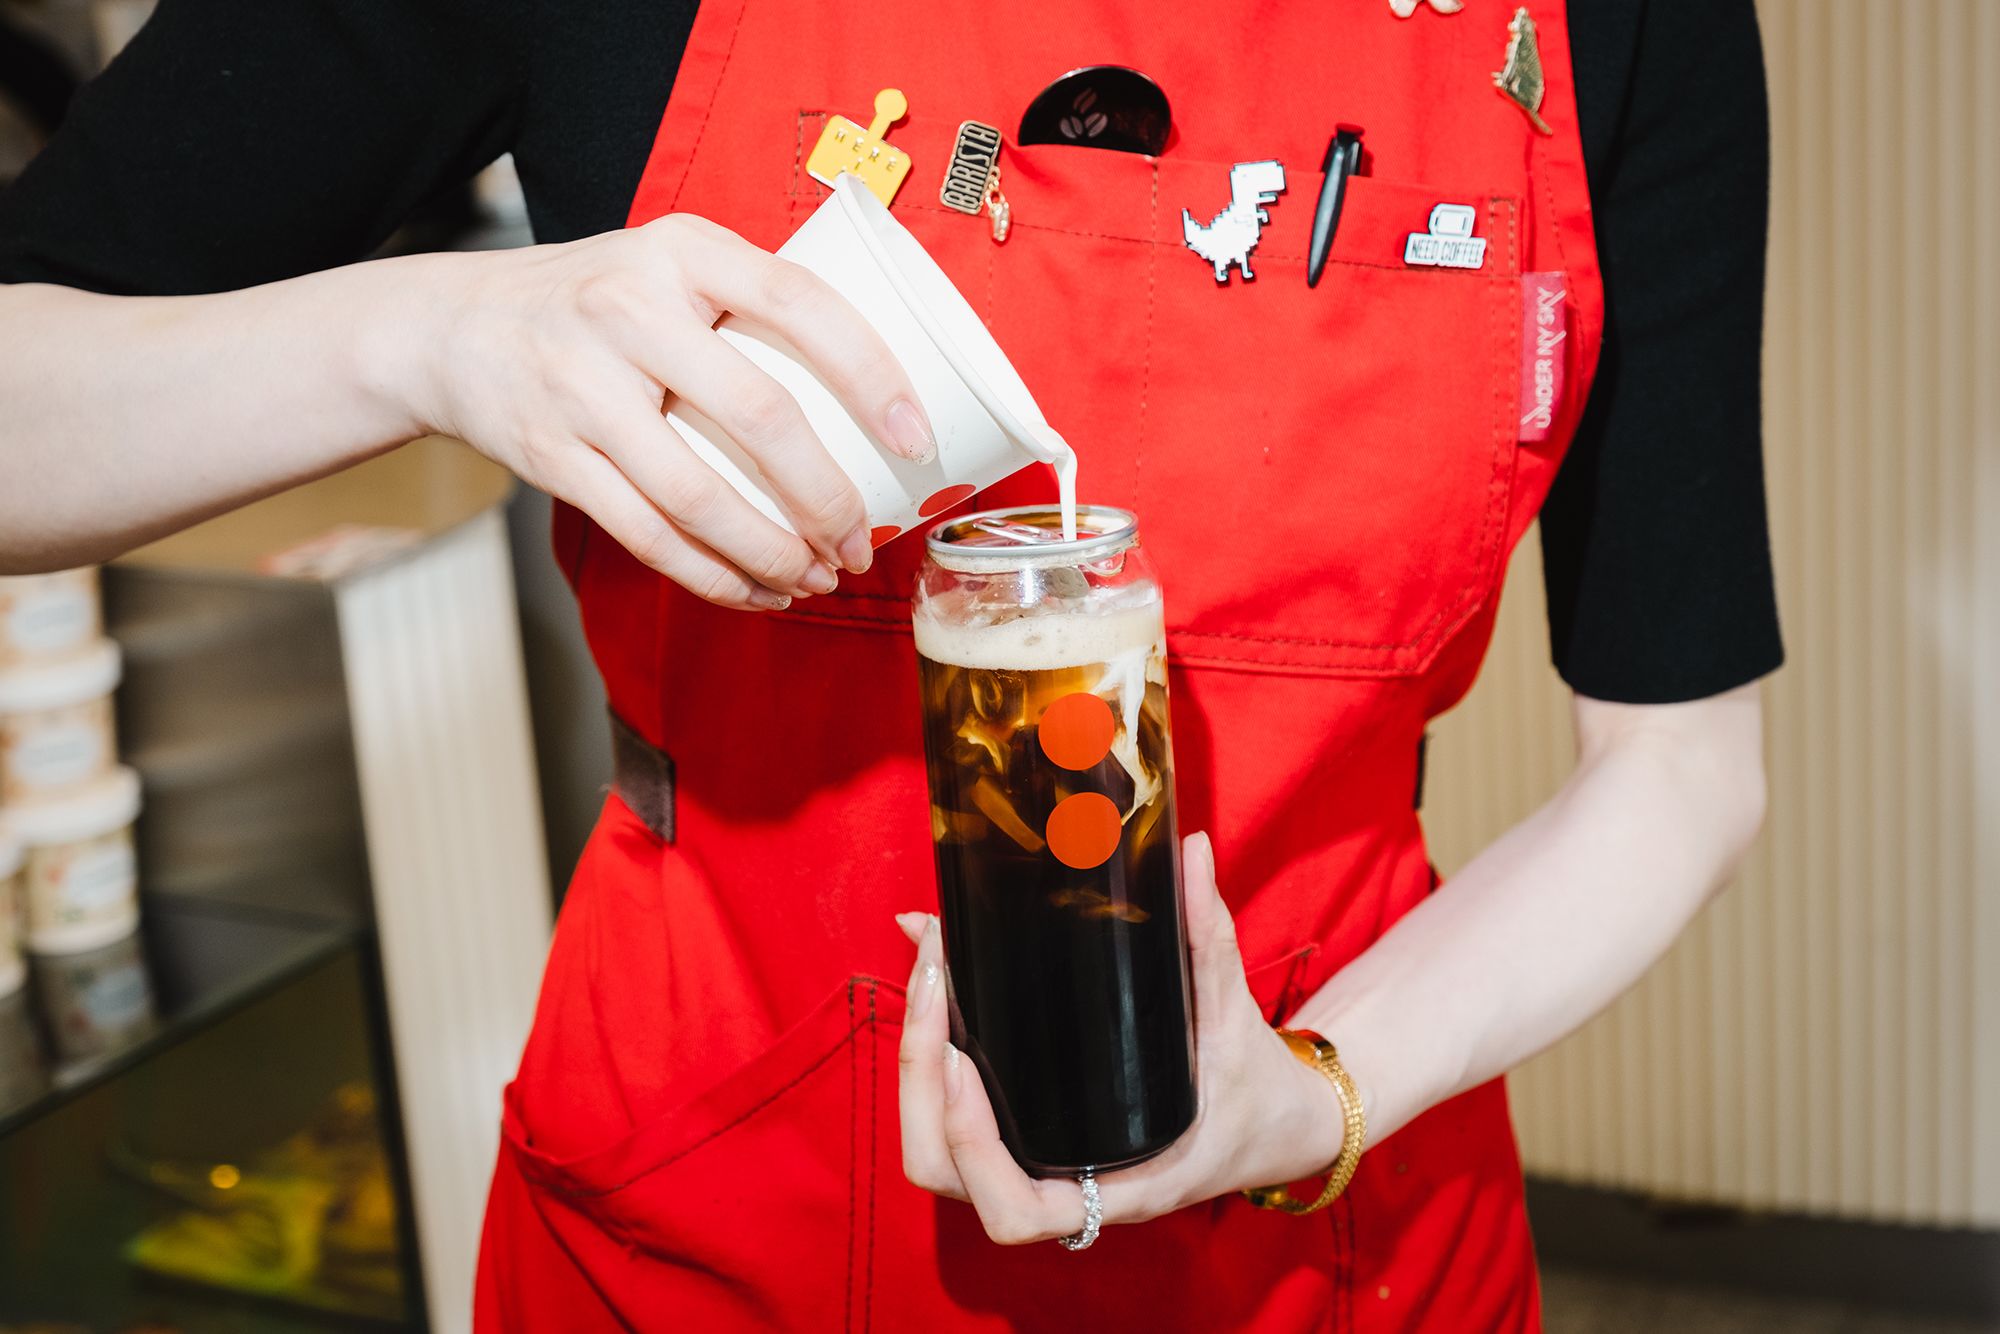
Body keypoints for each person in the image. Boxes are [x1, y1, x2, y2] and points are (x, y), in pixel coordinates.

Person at [0, 0, 1782, 1328]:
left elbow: (1681, 768)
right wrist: (438, 333)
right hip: (704, 1219)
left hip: (1332, 1210)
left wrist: (1319, 1084)